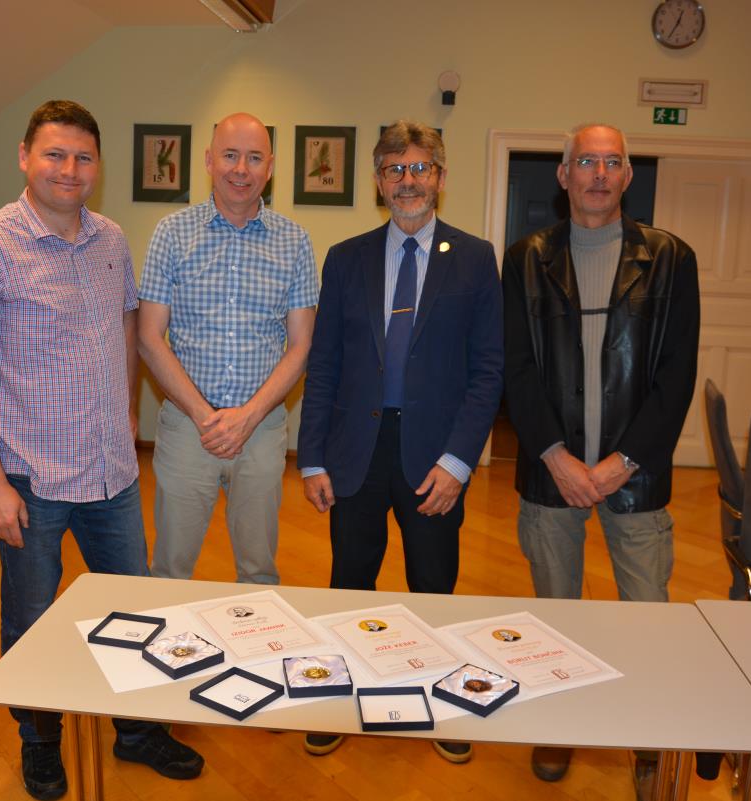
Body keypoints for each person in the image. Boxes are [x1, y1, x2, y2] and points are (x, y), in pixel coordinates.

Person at [0, 100, 203, 801]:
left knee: (135, 609)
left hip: (111, 470)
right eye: (55, 154)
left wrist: (125, 414)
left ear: (97, 167)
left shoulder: (110, 239)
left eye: (83, 157)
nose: (69, 169)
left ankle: (136, 731)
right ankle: (40, 742)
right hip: (30, 477)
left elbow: (126, 332)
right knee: (31, 620)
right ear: (24, 157)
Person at [501, 123, 700, 794]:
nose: (599, 173)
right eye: (586, 161)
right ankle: (560, 725)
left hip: (635, 478)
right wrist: (556, 456)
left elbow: (676, 376)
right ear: (564, 175)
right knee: (556, 618)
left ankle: (649, 742)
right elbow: (517, 368)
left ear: (627, 176)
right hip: (550, 474)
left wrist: (623, 462)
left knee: (646, 619)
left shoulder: (671, 258)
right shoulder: (525, 259)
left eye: (612, 162)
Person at [297, 120, 503, 763]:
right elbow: (324, 363)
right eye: (395, 169)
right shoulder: (346, 257)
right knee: (349, 581)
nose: (407, 181)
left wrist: (459, 461)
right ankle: (339, 697)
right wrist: (311, 456)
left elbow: (488, 370)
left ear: (439, 177)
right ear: (379, 181)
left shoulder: (475, 258)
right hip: (355, 451)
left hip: (435, 457)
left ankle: (444, 701)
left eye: (419, 168)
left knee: (433, 584)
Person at [137, 112, 317, 586]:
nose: (241, 169)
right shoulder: (172, 233)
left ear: (270, 167)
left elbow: (301, 345)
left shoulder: (295, 242)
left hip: (262, 429)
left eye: (254, 158)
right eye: (230, 155)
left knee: (259, 572)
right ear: (208, 161)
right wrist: (203, 415)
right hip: (186, 427)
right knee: (169, 570)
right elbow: (149, 337)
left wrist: (249, 416)